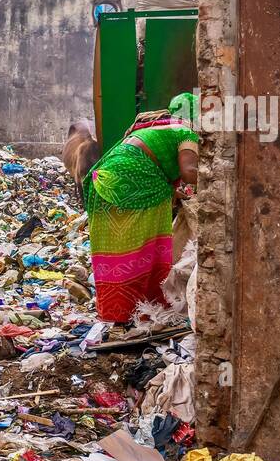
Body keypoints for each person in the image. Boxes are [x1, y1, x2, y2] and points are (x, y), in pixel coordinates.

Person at [85, 92, 200, 324]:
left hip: (104, 181)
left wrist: (174, 192)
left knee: (114, 252)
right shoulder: (186, 132)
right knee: (145, 251)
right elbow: (189, 172)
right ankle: (145, 309)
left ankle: (114, 313)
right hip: (137, 184)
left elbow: (152, 157)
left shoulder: (159, 125)